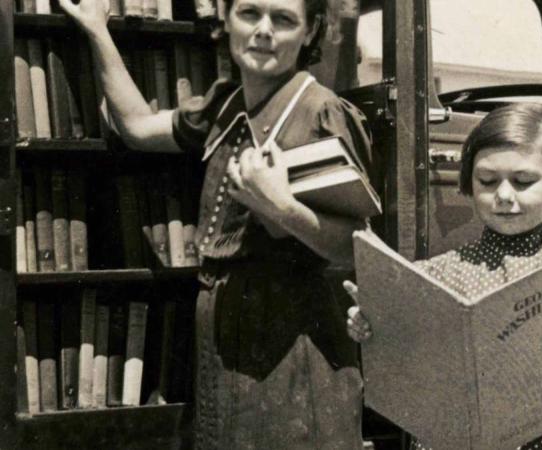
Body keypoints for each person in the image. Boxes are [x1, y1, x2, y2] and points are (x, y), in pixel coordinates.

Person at [59, 0, 372, 448]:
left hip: (293, 343)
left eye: (283, 19)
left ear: (310, 32)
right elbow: (137, 127)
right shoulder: (226, 104)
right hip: (225, 331)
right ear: (226, 20)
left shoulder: (319, 112)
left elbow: (356, 246)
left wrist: (282, 209)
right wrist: (97, 32)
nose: (264, 30)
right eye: (250, 14)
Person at [346, 103, 542, 450]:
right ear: (469, 181)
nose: (503, 196)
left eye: (523, 181)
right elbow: (400, 390)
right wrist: (374, 329)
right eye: (487, 181)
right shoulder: (434, 278)